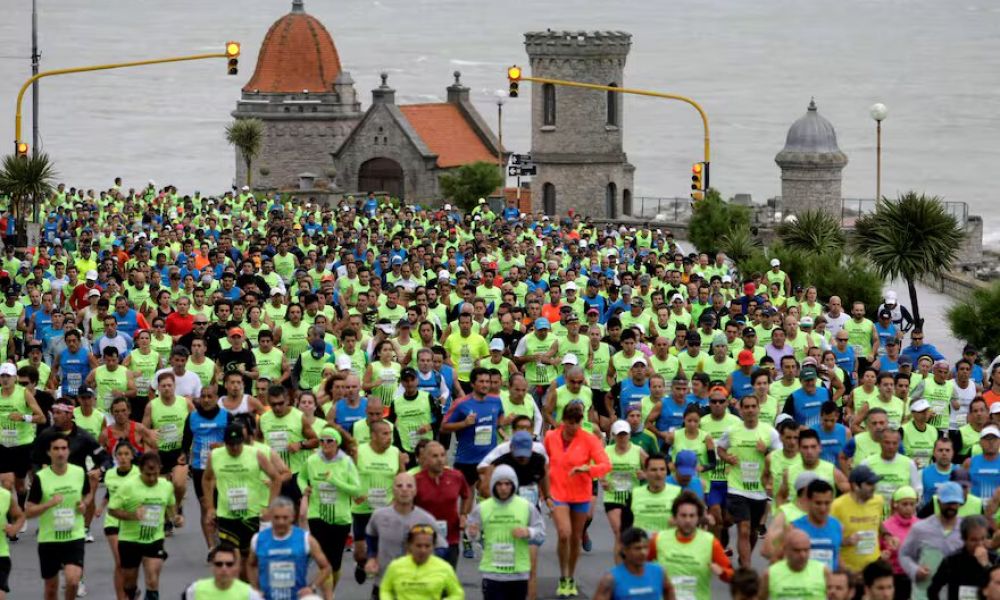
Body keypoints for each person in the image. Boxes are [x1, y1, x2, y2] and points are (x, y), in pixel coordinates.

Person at [201, 423, 285, 581]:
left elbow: (276, 478)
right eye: (230, 445)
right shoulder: (216, 455)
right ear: (224, 442)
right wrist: (210, 507)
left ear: (243, 441)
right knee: (232, 559)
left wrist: (269, 507)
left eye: (237, 444)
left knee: (248, 563)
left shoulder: (256, 454)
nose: (234, 448)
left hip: (250, 516)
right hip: (226, 515)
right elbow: (206, 479)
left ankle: (246, 591)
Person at [543, 401, 611, 598]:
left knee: (575, 538)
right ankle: (562, 576)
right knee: (564, 533)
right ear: (563, 420)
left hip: (580, 494)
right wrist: (544, 493)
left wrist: (588, 469)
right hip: (557, 493)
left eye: (577, 422)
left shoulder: (589, 439)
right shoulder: (550, 436)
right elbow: (544, 465)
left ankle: (570, 577)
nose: (574, 426)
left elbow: (605, 464)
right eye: (570, 422)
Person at [716, 393, 782, 568]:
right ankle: (746, 568)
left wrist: (766, 450)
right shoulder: (733, 431)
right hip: (737, 487)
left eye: (754, 406)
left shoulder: (769, 432)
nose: (750, 410)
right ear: (741, 409)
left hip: (759, 489)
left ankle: (744, 558)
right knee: (743, 529)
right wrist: (727, 458)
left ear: (759, 409)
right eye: (747, 407)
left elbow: (780, 457)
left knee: (752, 531)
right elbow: (720, 449)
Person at [26, 435, 95, 600]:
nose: (60, 452)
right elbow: (29, 511)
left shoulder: (78, 472)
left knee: (72, 581)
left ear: (69, 451)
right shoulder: (41, 477)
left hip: (74, 535)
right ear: (49, 453)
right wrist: (48, 504)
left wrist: (84, 505)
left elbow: (87, 494)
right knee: (51, 589)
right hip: (49, 539)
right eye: (56, 449)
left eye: (63, 448)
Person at [466, 464, 546, 600]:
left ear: (513, 484)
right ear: (493, 485)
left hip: (518, 572)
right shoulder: (483, 508)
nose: (503, 488)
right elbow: (472, 535)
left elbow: (541, 533)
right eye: (499, 484)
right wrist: (473, 533)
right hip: (492, 572)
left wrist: (528, 532)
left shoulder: (526, 506)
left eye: (507, 484)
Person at [297, 426, 360, 598]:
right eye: (322, 440)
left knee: (335, 564)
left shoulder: (346, 462)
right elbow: (301, 477)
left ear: (337, 443)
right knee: (323, 561)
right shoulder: (312, 460)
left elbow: (356, 490)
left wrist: (335, 481)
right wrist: (305, 488)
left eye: (329, 440)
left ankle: (329, 592)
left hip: (340, 518)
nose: (325, 444)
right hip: (317, 515)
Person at [107, 452, 180, 600]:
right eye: (148, 474)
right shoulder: (128, 486)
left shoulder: (166, 486)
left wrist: (176, 518)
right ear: (140, 469)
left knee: (152, 580)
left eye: (155, 474)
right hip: (130, 540)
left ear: (160, 469)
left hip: (154, 539)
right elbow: (112, 509)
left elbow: (171, 506)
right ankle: (133, 592)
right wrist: (132, 516)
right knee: (129, 583)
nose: (152, 478)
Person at [364, 473, 447, 597]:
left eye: (409, 486)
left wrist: (425, 559)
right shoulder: (379, 516)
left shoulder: (426, 519)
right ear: (393, 490)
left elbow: (442, 547)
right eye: (399, 486)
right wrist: (371, 557)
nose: (404, 490)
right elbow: (371, 536)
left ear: (415, 491)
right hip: (384, 584)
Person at [647, 491, 733, 600]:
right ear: (675, 517)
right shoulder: (659, 539)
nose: (688, 520)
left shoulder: (710, 542)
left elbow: (731, 575)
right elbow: (640, 568)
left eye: (692, 516)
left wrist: (723, 573)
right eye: (683, 515)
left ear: (698, 518)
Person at [247, 496, 331, 600]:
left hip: (297, 596)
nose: (281, 522)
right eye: (277, 517)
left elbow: (326, 567)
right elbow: (251, 565)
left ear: (292, 517)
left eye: (285, 517)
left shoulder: (305, 539)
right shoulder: (258, 539)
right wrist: (256, 588)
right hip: (267, 596)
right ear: (271, 516)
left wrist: (312, 587)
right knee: (250, 595)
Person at [414, 440, 472, 569]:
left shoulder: (456, 477)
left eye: (442, 455)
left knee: (447, 580)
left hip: (451, 539)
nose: (440, 460)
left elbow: (467, 495)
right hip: (424, 540)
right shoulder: (416, 480)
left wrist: (463, 515)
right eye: (435, 456)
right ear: (425, 458)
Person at [898, 481, 966, 589]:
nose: (951, 506)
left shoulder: (966, 528)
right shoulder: (920, 528)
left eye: (954, 503)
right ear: (939, 502)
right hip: (924, 594)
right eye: (947, 502)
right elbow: (904, 554)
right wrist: (915, 570)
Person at [378, 524, 465, 600]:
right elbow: (385, 589)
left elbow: (457, 593)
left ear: (434, 546)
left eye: (427, 546)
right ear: (409, 546)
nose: (423, 550)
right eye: (418, 546)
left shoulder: (444, 567)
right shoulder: (396, 566)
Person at [927, 514, 997, 600]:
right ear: (964, 539)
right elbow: (932, 590)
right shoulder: (952, 560)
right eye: (973, 540)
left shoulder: (994, 559)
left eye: (983, 539)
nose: (979, 544)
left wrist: (986, 566)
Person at [593, 528, 671, 600]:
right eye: (637, 548)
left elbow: (669, 594)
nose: (643, 552)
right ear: (624, 550)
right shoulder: (610, 579)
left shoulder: (659, 572)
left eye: (646, 547)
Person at [761, 528, 828, 600]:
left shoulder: (823, 571)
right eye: (797, 550)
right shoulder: (770, 574)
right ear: (785, 550)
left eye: (806, 550)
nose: (803, 555)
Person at [183, 543, 264, 599]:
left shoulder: (250, 594)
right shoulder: (194, 590)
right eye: (219, 564)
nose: (224, 568)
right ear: (212, 566)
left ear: (235, 567)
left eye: (229, 564)